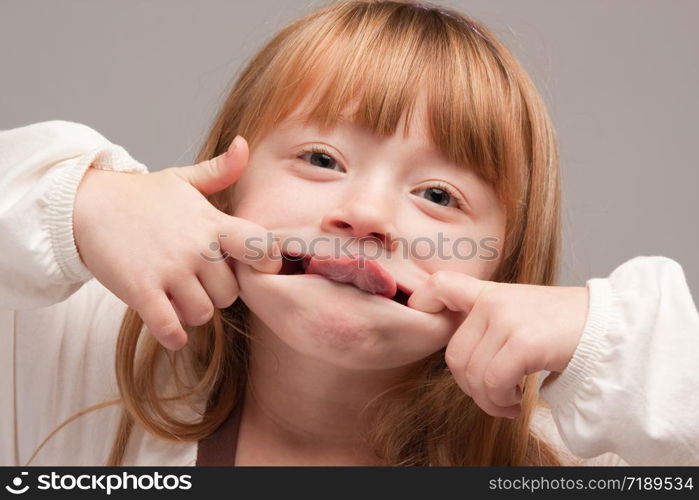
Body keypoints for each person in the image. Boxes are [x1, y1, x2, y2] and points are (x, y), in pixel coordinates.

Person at [1, 0, 697, 466]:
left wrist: (610, 349)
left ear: (502, 270)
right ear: (227, 187)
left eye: (437, 195)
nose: (365, 215)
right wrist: (83, 202)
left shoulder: (571, 458)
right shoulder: (79, 351)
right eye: (320, 159)